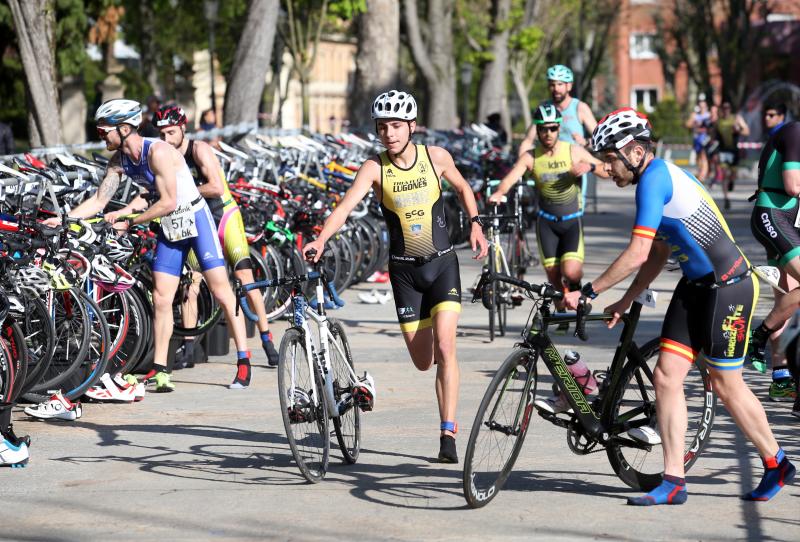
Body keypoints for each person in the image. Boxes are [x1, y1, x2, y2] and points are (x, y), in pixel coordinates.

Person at [564, 107, 794, 505]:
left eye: (610, 160)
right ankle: (673, 480)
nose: (607, 169)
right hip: (696, 286)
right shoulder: (653, 179)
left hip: (730, 288)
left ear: (634, 152)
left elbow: (636, 252)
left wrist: (590, 291)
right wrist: (625, 298)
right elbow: (655, 252)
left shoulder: (653, 180)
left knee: (726, 383)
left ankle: (777, 462)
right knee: (666, 376)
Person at [303, 90, 488, 463]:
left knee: (448, 349)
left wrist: (475, 224)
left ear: (412, 127)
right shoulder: (374, 168)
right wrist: (321, 238)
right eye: (383, 126)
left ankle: (447, 433)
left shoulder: (436, 158)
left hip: (442, 264)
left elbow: (465, 188)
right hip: (404, 274)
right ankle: (435, 329)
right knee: (424, 361)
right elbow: (345, 206)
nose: (389, 133)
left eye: (397, 125)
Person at [49, 99, 252, 392]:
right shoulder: (119, 160)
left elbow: (169, 200)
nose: (101, 136)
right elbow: (99, 201)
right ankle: (160, 369)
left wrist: (131, 220)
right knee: (161, 298)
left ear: (124, 127)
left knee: (221, 290)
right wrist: (63, 219)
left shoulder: (157, 152)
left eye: (104, 130)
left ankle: (243, 360)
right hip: (170, 226)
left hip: (194, 218)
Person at [154, 104, 280, 379]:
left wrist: (177, 193)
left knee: (245, 277)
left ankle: (267, 338)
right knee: (192, 283)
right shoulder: (162, 155)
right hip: (194, 222)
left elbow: (216, 187)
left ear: (183, 129)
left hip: (223, 216)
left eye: (171, 132)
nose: (166, 140)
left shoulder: (198, 149)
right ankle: (188, 348)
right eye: (161, 134)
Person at [488, 103, 608, 351]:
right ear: (538, 130)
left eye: (553, 129)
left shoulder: (573, 151)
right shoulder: (531, 156)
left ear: (558, 128)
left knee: (572, 272)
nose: (548, 134)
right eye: (543, 129)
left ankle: (575, 293)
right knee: (553, 276)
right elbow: (511, 178)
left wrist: (591, 167)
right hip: (547, 223)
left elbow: (606, 170)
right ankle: (562, 312)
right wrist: (499, 193)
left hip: (571, 220)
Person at [748, 106, 800, 410]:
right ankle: (759, 335)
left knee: (788, 297)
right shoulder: (795, 132)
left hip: (789, 220)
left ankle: (783, 380)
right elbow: (793, 185)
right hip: (774, 216)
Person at [518, 64, 597, 155]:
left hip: (576, 163)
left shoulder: (580, 107)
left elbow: (600, 140)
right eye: (552, 85)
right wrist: (519, 164)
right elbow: (528, 141)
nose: (556, 89)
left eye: (560, 84)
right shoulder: (544, 108)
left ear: (569, 86)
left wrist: (585, 142)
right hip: (549, 163)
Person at [711, 101, 750, 210]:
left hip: (734, 150)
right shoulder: (718, 122)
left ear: (730, 109)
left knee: (733, 173)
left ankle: (732, 180)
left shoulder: (736, 119)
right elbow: (713, 136)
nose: (726, 110)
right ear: (721, 109)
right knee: (724, 173)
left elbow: (747, 131)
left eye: (727, 108)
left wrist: (738, 130)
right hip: (723, 150)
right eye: (723, 108)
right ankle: (726, 198)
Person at [685, 95, 714, 183]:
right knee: (699, 159)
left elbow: (713, 126)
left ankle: (702, 176)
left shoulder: (709, 115)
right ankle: (702, 173)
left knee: (704, 157)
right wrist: (695, 123)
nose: (702, 108)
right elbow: (687, 124)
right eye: (700, 107)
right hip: (696, 139)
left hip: (705, 139)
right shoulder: (695, 115)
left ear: (706, 107)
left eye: (704, 106)